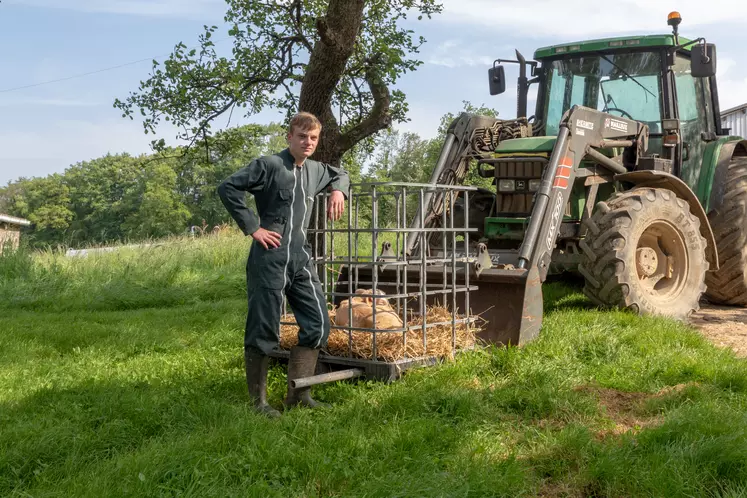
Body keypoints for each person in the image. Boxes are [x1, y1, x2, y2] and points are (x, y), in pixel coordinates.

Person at [218, 112, 349, 417]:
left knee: (318, 324)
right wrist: (253, 227)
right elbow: (228, 188)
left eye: (313, 138)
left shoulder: (316, 170)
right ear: (289, 137)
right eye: (302, 136)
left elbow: (339, 174)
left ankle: (299, 395)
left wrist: (338, 189)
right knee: (263, 329)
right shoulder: (269, 165)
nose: (308, 142)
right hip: (269, 259)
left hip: (300, 260)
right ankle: (258, 403)